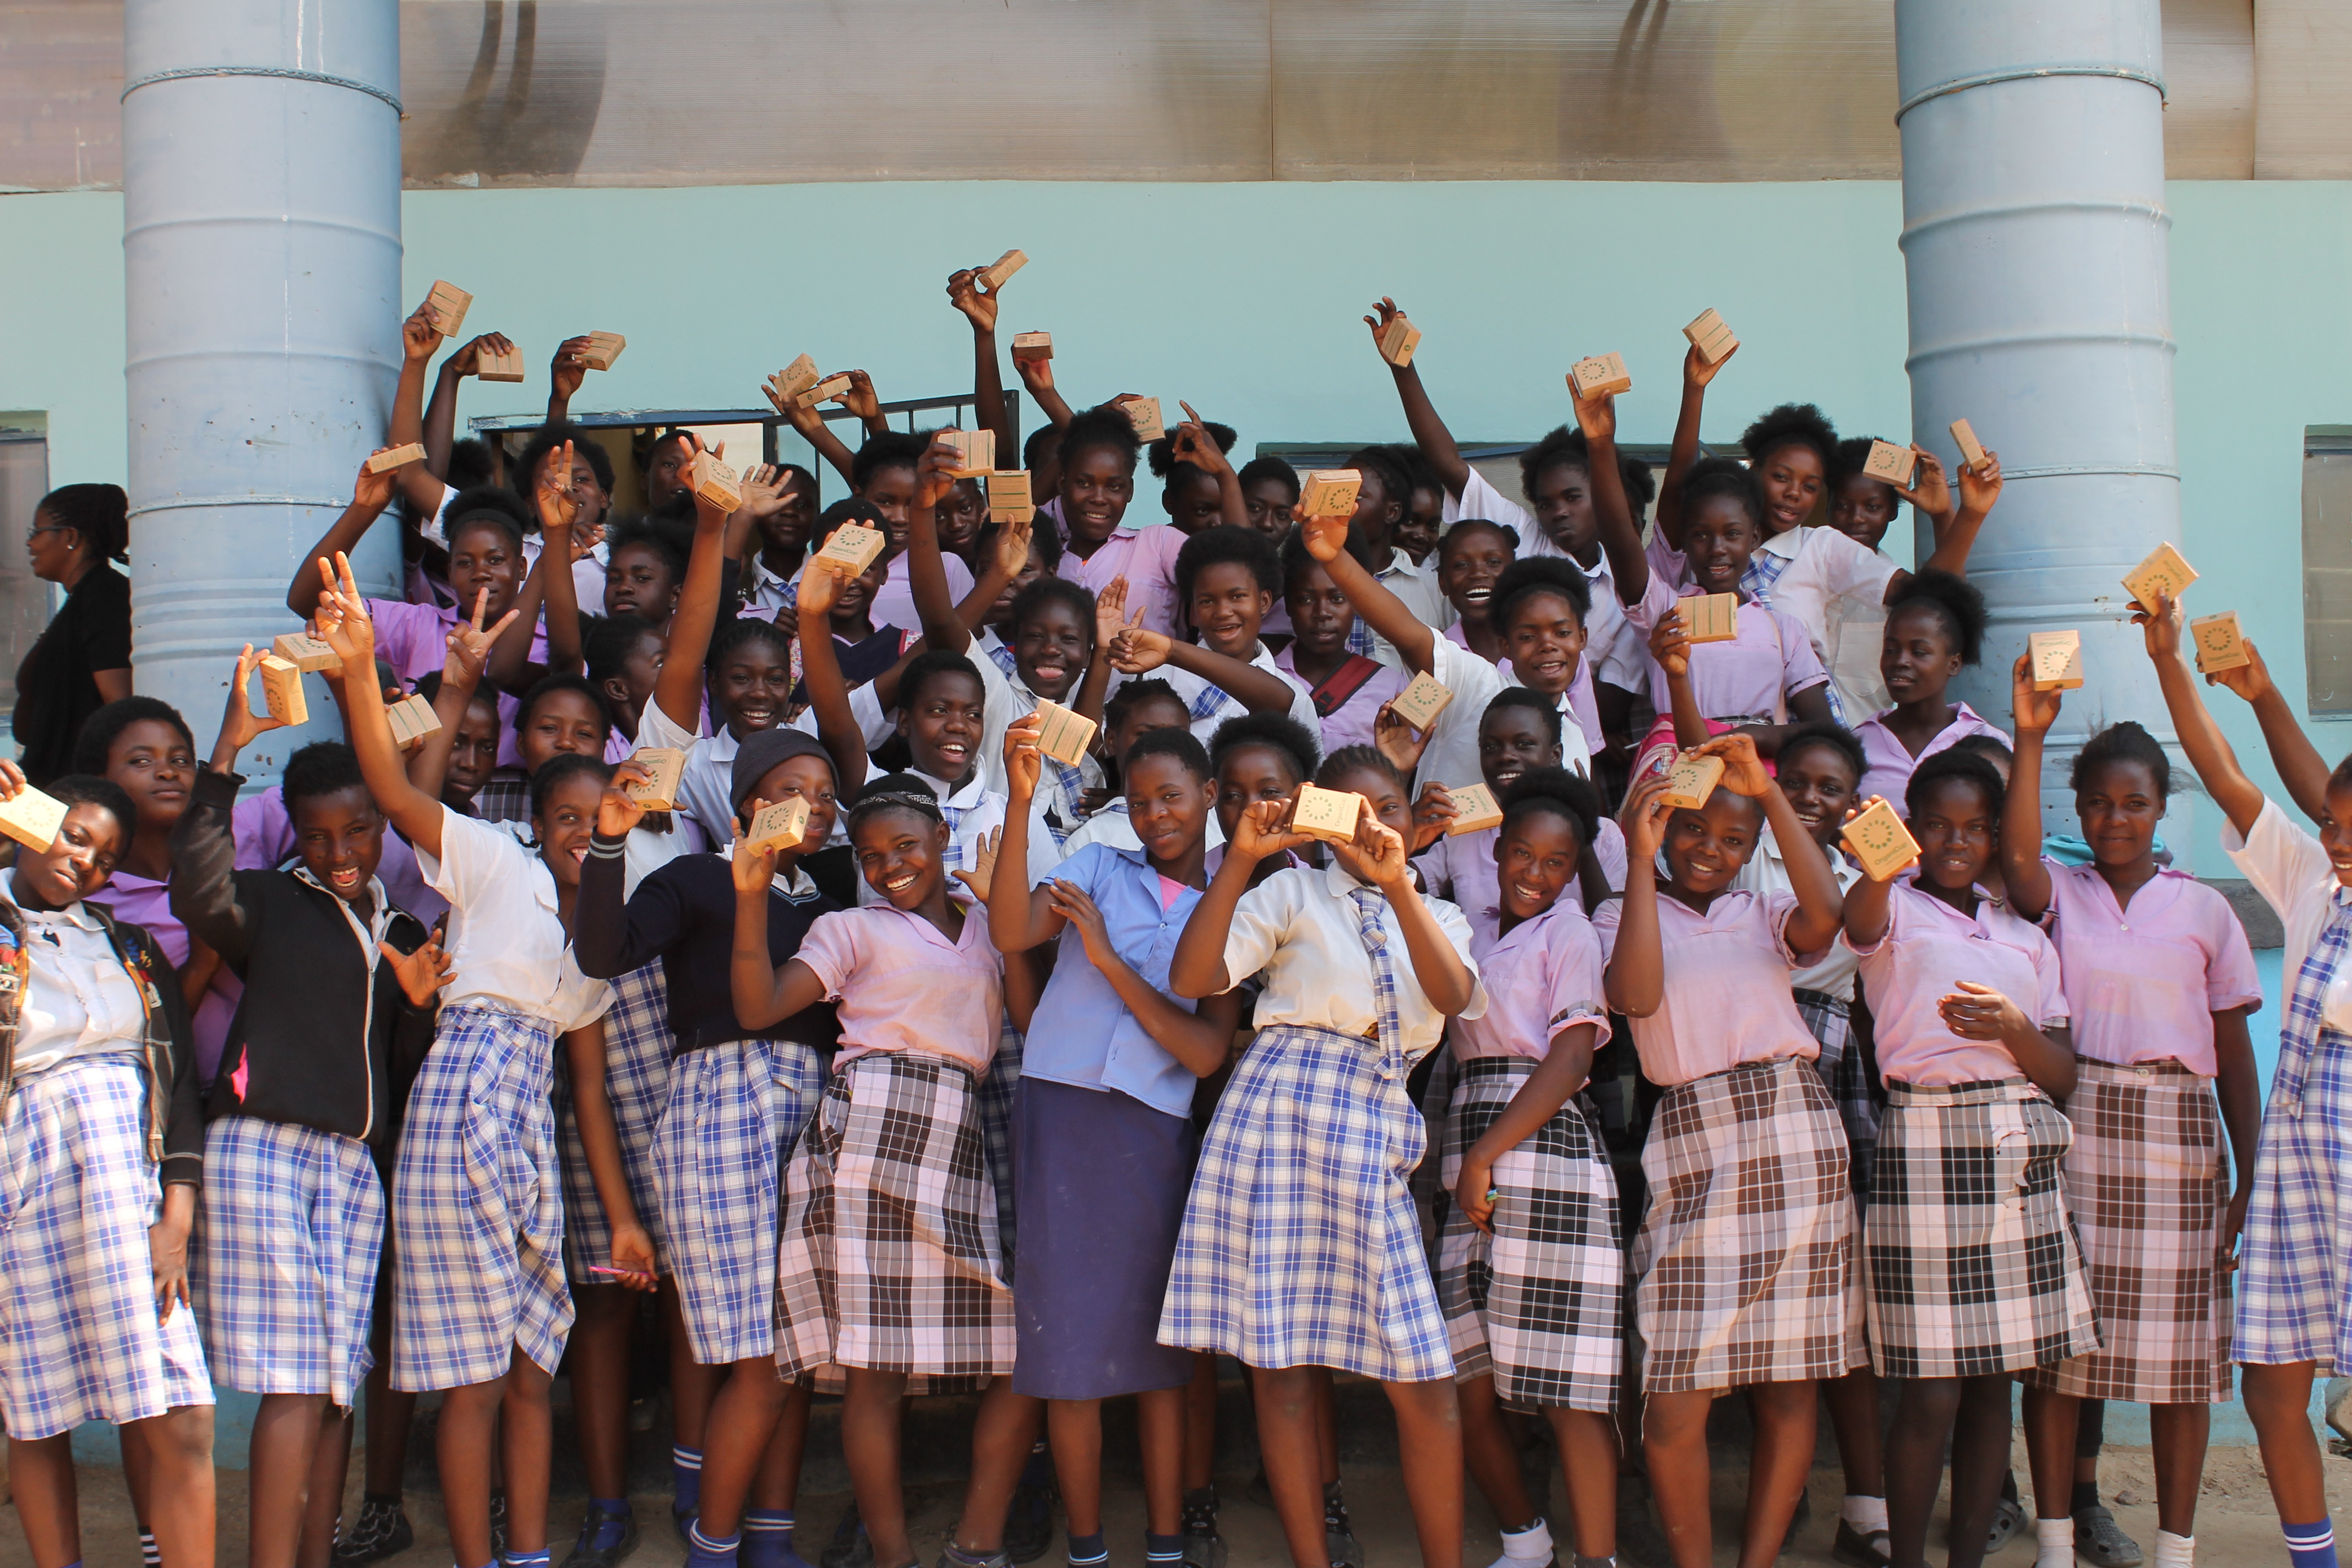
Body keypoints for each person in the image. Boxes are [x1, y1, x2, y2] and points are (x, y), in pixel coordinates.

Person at [311, 551, 646, 1568]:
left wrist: (622, 1215)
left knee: (530, 1368)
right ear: (537, 825)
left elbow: (588, 1091)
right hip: (463, 1101)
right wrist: (360, 668)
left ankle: (526, 1554)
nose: (584, 833)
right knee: (472, 1378)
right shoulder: (498, 864)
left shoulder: (609, 941)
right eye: (567, 819)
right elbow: (390, 789)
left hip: (529, 1131)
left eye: (603, 819)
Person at [1165, 745, 1485, 1568]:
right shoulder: (1292, 892)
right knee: (1278, 1363)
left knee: (1422, 1374)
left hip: (1374, 1118)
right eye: (1351, 816)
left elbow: (1451, 997)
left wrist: (1397, 884)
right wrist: (1242, 859)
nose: (1372, 829)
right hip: (1276, 1113)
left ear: (1413, 820)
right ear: (1319, 824)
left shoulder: (1438, 913)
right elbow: (1195, 975)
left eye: (1390, 811)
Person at [172, 650, 445, 1568]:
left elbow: (398, 1068)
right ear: (292, 833)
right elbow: (196, 891)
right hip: (262, 1148)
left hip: (351, 1164)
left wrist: (419, 1004)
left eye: (357, 831)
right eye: (317, 836)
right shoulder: (266, 900)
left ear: (384, 825)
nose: (339, 852)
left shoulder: (401, 931)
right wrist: (226, 755)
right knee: (294, 1386)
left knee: (334, 1387)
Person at [732, 774, 1028, 1568]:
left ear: (942, 839)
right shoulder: (851, 928)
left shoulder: (987, 928)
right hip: (868, 1134)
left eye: (905, 846)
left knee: (1021, 1348)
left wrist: (1004, 909)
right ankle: (894, 1557)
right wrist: (750, 899)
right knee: (874, 1370)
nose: (890, 866)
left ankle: (976, 1543)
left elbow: (1029, 1016)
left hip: (956, 1143)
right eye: (870, 856)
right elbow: (759, 1006)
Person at [2004, 682, 2263, 1568]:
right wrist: (2029, 737)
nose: (2115, 819)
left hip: (2180, 1139)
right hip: (2077, 1128)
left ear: (2161, 809)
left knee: (2181, 1363)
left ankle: (2176, 1550)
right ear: (2077, 809)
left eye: (2135, 804)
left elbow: (2233, 1053)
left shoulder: (2205, 910)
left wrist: (2249, 1176)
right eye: (2098, 803)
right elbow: (2017, 860)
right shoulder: (2058, 895)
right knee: (2060, 1355)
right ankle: (2055, 1543)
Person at [576, 729, 847, 1567]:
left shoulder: (831, 903)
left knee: (797, 1349)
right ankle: (713, 1542)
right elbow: (602, 953)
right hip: (723, 1105)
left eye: (827, 796)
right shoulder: (697, 877)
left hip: (815, 1109)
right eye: (795, 790)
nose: (816, 808)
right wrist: (609, 839)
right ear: (747, 808)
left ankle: (770, 1537)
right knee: (756, 1355)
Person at [987, 718, 1244, 1568]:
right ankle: (1088, 1549)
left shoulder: (1233, 908)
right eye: (1138, 803)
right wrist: (1021, 800)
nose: (1155, 815)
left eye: (1172, 797)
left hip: (1152, 1130)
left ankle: (1166, 1544)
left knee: (1156, 1349)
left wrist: (1104, 957)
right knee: (1065, 1345)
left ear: (1211, 796)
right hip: (1061, 1111)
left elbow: (1204, 1053)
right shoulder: (1098, 864)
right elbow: (1012, 931)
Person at [1605, 734, 1858, 1568]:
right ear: (1664, 825)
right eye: (1692, 829)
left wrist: (1772, 795)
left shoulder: (1763, 913)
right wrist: (1638, 859)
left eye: (1732, 839)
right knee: (1676, 1389)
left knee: (1791, 1375)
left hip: (1792, 1130)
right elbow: (1636, 995)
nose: (1708, 849)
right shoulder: (1619, 910)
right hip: (1691, 1135)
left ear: (1752, 850)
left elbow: (1829, 917)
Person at [1841, 749, 2095, 1568]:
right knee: (1932, 1387)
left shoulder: (2026, 937)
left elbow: (2063, 1075)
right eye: (1938, 826)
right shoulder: (1894, 911)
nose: (1957, 841)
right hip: (1926, 1141)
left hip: (2017, 1149)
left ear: (1995, 838)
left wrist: (2014, 1029)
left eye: (1976, 828)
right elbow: (1858, 924)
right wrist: (1878, 862)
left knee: (1994, 1385)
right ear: (1913, 830)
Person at [2135, 589, 2343, 1568]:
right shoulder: (2313, 887)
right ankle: (2313, 1558)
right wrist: (2170, 659)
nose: (2338, 844)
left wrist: (2264, 698)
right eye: (2333, 830)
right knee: (2272, 1385)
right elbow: (2225, 774)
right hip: (2303, 1172)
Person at [0, 768, 215, 1568]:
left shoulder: (132, 949)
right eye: (74, 837)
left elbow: (178, 1080)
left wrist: (177, 1217)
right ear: (32, 822)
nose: (85, 862)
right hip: (24, 1189)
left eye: (105, 858)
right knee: (38, 1410)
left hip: (130, 1190)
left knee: (181, 1410)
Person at [1436, 768, 1623, 1568]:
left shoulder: (1570, 933)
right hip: (1470, 1132)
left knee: (1569, 1385)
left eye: (1555, 862)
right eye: (1521, 853)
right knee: (1465, 1375)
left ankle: (1596, 1558)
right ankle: (1526, 1541)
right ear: (1497, 848)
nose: (1534, 874)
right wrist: (1473, 1155)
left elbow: (1573, 1055)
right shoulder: (1467, 929)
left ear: (1576, 866)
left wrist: (1486, 1154)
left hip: (1545, 1151)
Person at [1853, 571, 2009, 808]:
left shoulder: (1988, 742)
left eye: (1919, 652)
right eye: (1891, 650)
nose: (1901, 661)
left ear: (1954, 664)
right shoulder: (1858, 744)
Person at [15, 482, 133, 783]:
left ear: (70, 537)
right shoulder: (84, 598)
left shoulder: (104, 596)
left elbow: (121, 705)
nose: (30, 543)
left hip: (79, 790)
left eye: (37, 532)